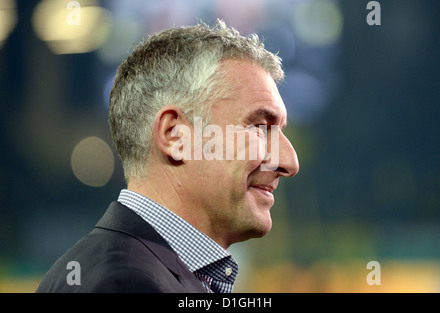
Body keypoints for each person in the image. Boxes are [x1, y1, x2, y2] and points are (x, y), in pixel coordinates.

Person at [36, 20, 299, 293]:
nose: (290, 162)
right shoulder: (128, 284)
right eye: (259, 128)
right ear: (175, 136)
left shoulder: (106, 268)